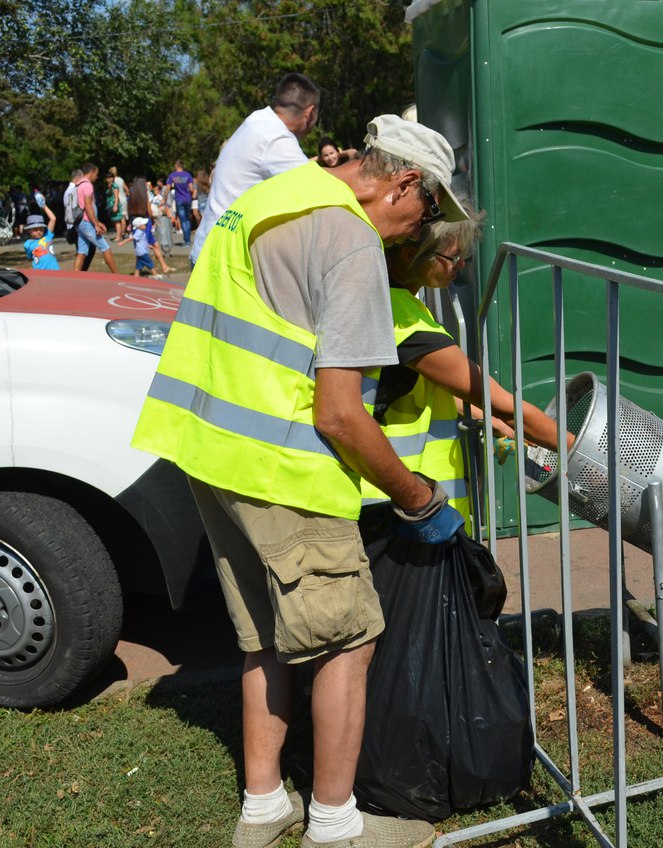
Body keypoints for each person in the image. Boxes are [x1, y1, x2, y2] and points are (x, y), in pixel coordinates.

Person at [131, 114, 468, 848]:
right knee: (347, 637)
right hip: (280, 468)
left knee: (265, 637)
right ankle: (337, 826)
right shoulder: (347, 238)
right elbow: (342, 416)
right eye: (429, 210)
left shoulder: (276, 194)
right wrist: (419, 499)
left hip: (210, 450)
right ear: (405, 183)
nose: (421, 230)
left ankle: (262, 807)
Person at [360, 205, 571, 528]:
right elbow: (507, 406)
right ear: (411, 255)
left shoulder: (388, 299)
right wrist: (586, 451)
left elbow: (436, 388)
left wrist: (489, 417)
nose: (460, 265)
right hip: (401, 504)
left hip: (395, 497)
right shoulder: (407, 324)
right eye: (452, 257)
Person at [188, 72, 320, 263]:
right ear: (310, 113)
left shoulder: (258, 120)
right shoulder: (276, 138)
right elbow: (321, 188)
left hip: (209, 250)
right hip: (221, 261)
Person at [74, 163, 120, 274]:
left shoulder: (79, 184)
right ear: (92, 172)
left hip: (80, 222)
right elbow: (88, 206)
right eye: (96, 174)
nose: (97, 177)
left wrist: (97, 222)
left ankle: (74, 276)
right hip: (87, 222)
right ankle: (117, 275)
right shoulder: (88, 185)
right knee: (105, 247)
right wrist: (96, 224)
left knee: (82, 252)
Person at [128, 177, 173, 274]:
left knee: (151, 245)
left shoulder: (132, 196)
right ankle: (146, 272)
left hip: (135, 222)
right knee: (146, 247)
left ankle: (163, 266)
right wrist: (153, 217)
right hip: (145, 221)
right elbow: (149, 210)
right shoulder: (145, 195)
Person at [166, 160, 197, 246]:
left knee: (183, 220)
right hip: (187, 199)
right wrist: (191, 193)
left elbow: (167, 188)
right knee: (187, 219)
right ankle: (188, 239)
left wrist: (164, 198)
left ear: (176, 166)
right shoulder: (188, 175)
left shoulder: (172, 175)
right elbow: (191, 188)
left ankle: (186, 240)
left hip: (179, 199)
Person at [107, 166, 129, 241]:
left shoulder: (112, 182)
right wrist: (124, 194)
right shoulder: (120, 179)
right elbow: (127, 190)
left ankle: (119, 234)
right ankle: (122, 233)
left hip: (116, 199)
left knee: (117, 218)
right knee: (123, 217)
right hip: (123, 198)